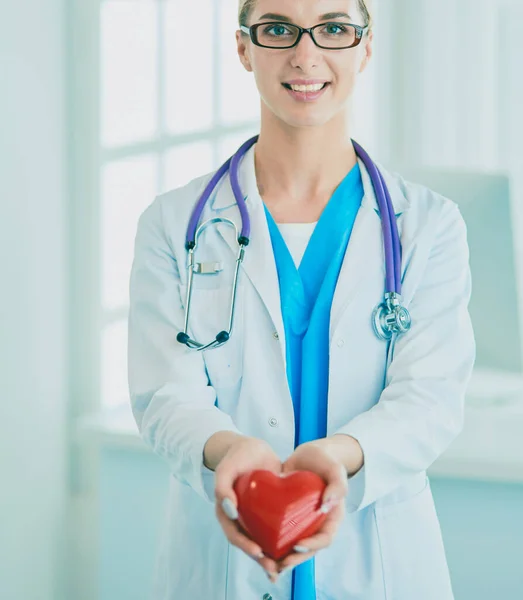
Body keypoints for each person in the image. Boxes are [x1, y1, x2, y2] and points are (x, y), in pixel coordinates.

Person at [128, 1, 476, 598]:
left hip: (379, 560)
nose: (305, 54)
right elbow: (166, 394)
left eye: (335, 28)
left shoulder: (428, 227)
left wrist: (340, 458)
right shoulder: (175, 222)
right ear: (244, 48)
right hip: (219, 565)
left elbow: (430, 401)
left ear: (365, 47)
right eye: (278, 29)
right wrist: (231, 450)